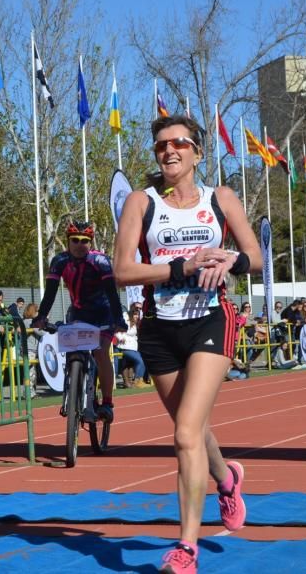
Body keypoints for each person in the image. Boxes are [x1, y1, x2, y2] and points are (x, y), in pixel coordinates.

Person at [114, 114, 261, 573]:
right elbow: (121, 271)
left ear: (197, 151)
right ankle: (226, 477)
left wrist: (230, 260)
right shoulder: (142, 202)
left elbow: (255, 257)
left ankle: (186, 547)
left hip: (209, 323)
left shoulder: (222, 199)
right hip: (159, 328)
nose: (169, 151)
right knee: (191, 427)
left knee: (183, 435)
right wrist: (182, 267)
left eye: (178, 143)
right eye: (160, 146)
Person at [30, 220, 126, 422]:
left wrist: (119, 319)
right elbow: (50, 293)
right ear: (68, 242)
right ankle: (72, 388)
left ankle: (107, 403)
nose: (80, 245)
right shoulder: (60, 261)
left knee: (100, 353)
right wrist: (41, 317)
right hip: (79, 312)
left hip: (103, 312)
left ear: (91, 243)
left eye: (85, 241)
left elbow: (112, 292)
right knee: (73, 353)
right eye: (75, 240)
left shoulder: (100, 261)